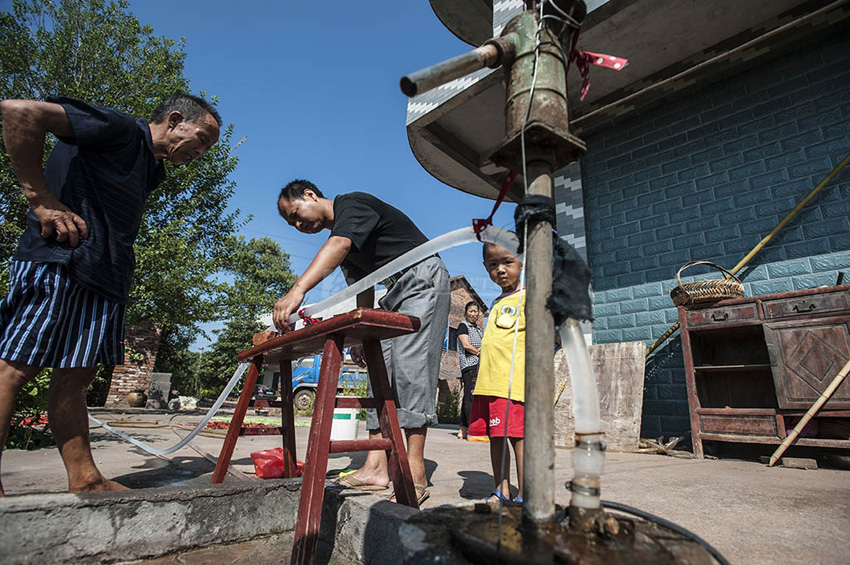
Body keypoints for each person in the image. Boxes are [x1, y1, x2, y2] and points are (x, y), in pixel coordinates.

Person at [0, 93, 221, 496]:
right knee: (16, 368)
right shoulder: (119, 129)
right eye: (203, 138)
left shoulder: (152, 169)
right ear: (175, 120)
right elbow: (20, 112)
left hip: (103, 276)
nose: (202, 151)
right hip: (58, 261)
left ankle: (85, 478)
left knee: (76, 376)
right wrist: (41, 200)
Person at [273, 180, 449, 506]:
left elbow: (339, 243)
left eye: (296, 213)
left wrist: (298, 291)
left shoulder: (351, 206)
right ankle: (375, 466)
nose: (298, 225)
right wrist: (363, 327)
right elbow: (363, 286)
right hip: (392, 292)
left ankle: (414, 469)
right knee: (377, 368)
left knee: (411, 369)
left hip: (422, 279)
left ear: (311, 195)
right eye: (291, 224)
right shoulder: (344, 245)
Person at [468, 241, 525, 503]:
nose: (500, 270)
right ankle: (501, 488)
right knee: (496, 436)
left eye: (507, 262)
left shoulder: (529, 298)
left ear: (523, 261)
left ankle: (527, 493)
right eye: (492, 265)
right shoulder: (497, 302)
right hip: (490, 384)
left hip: (513, 383)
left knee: (519, 438)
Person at [456, 301, 483, 440]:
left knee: (469, 397)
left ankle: (463, 430)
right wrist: (480, 353)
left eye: (475, 311)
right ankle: (472, 430)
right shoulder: (463, 326)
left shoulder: (478, 329)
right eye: (470, 311)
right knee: (471, 398)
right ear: (466, 312)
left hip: (478, 365)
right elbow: (466, 345)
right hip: (470, 365)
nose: (473, 314)